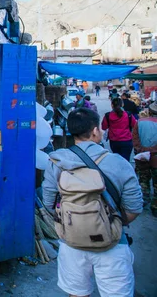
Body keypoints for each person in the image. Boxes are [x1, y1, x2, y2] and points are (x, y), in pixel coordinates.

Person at [43, 108, 142, 297]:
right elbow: (134, 208)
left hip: (71, 244)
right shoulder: (118, 162)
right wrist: (113, 223)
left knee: (77, 294)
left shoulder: (56, 161)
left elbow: (48, 203)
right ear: (96, 130)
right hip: (112, 244)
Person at [132, 102, 157, 217]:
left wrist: (140, 150)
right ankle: (155, 207)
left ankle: (144, 201)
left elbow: (135, 139)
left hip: (143, 157)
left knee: (143, 181)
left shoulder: (140, 122)